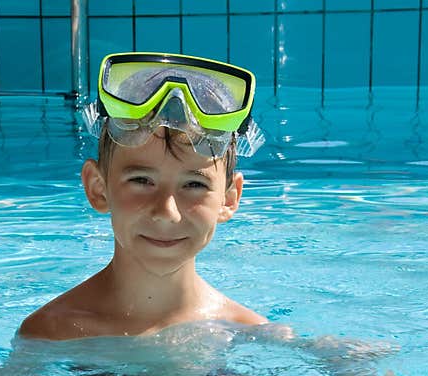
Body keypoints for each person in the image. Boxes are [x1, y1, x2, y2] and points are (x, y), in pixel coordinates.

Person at [19, 52, 268, 341]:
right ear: (98, 188)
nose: (166, 212)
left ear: (228, 199)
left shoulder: (249, 334)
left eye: (194, 185)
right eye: (141, 180)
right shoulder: (50, 333)